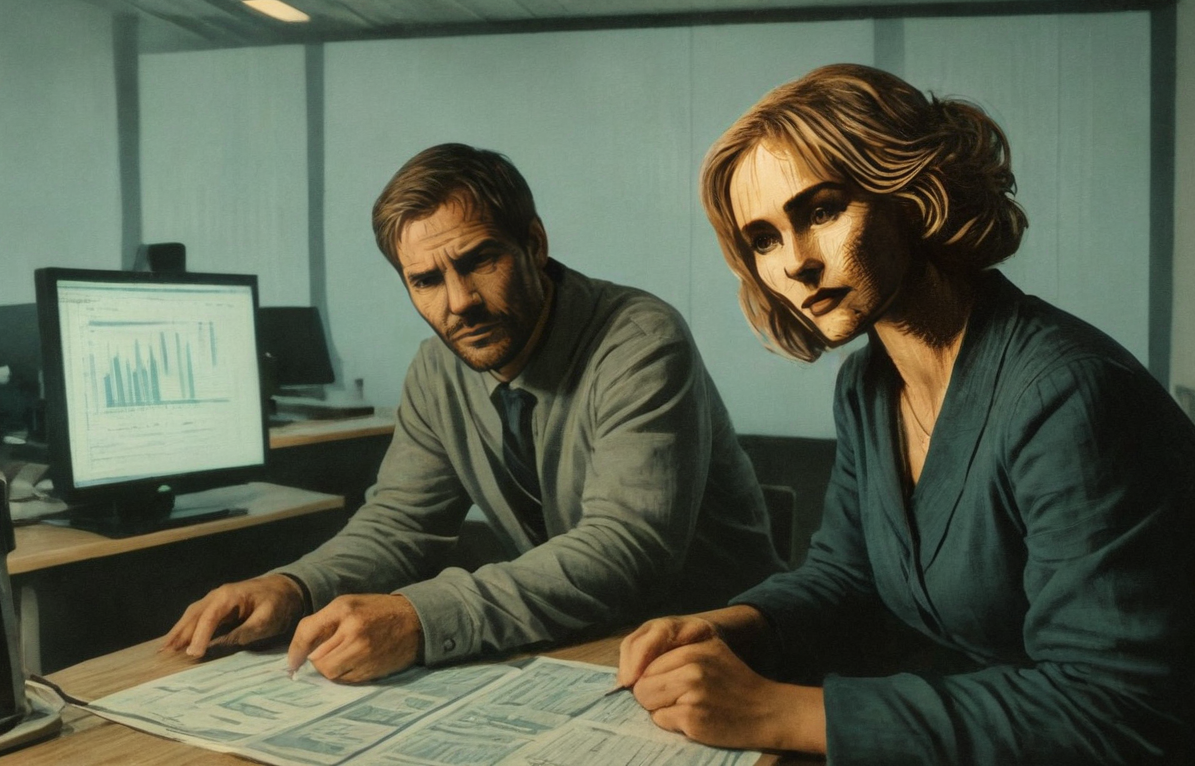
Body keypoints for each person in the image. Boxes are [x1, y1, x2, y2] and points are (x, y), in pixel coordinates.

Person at [615, 64, 1195, 765]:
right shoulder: (868, 385)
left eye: (820, 210)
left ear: (912, 194)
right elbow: (849, 578)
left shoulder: (1069, 395)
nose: (796, 264)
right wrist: (724, 626)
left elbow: (1117, 711)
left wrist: (776, 712)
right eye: (763, 239)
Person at [163, 142, 781, 683]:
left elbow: (625, 551)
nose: (459, 303)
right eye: (426, 280)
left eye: (480, 261)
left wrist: (417, 618)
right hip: (585, 648)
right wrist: (294, 585)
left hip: (726, 653)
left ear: (534, 244)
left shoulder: (641, 340)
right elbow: (399, 525)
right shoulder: (437, 370)